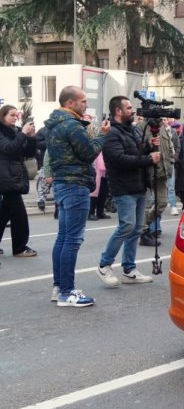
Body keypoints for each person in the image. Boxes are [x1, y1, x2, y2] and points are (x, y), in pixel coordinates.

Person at [45, 85, 110, 307]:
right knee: (72, 239)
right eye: (83, 101)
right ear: (70, 103)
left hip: (63, 184)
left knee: (63, 238)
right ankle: (67, 292)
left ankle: (59, 287)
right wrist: (102, 136)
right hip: (75, 185)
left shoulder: (55, 124)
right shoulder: (72, 125)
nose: (86, 105)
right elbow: (88, 152)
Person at [96, 96, 159, 287]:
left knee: (136, 229)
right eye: (129, 107)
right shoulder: (112, 133)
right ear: (118, 111)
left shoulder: (131, 129)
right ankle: (104, 265)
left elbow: (136, 152)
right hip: (123, 187)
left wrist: (149, 146)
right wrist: (149, 158)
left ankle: (129, 269)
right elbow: (118, 159)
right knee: (127, 226)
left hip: (139, 184)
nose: (133, 110)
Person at [0, 104, 38, 259]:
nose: (16, 118)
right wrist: (22, 134)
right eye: (12, 115)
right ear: (3, 117)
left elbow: (27, 153)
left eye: (17, 115)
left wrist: (31, 138)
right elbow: (9, 149)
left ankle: (19, 247)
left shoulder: (15, 132)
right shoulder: (2, 132)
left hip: (13, 176)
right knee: (20, 214)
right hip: (5, 177)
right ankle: (19, 248)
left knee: (4, 213)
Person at [136, 112, 176, 246]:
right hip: (147, 171)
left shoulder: (163, 127)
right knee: (146, 204)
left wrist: (171, 162)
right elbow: (137, 149)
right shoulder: (141, 127)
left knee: (162, 203)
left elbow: (171, 147)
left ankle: (143, 224)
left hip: (162, 171)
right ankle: (144, 231)